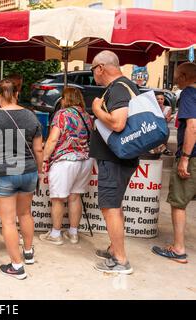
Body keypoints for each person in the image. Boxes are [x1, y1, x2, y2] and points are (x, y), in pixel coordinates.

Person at [0, 78, 43, 280]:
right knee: (25, 214)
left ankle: (17, 266)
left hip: (4, 174)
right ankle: (29, 253)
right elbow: (39, 149)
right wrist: (39, 172)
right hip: (29, 172)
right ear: (17, 94)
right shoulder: (32, 117)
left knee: (7, 221)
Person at [90, 50, 140, 275]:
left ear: (101, 68)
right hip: (119, 159)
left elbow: (118, 123)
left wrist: (97, 110)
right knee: (115, 206)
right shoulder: (125, 86)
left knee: (110, 207)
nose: (93, 75)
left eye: (93, 70)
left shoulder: (118, 88)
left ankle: (120, 260)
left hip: (114, 160)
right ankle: (114, 248)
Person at [152, 62, 196, 264]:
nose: (176, 80)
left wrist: (185, 158)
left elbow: (192, 127)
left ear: (186, 76)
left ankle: (178, 249)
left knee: (179, 202)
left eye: (177, 76)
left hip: (192, 156)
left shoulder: (189, 93)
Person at [39, 87, 93, 245]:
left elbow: (53, 139)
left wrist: (44, 159)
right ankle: (73, 233)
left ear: (66, 99)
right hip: (86, 159)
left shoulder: (62, 114)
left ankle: (55, 234)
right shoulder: (87, 115)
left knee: (58, 199)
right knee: (75, 197)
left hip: (66, 161)